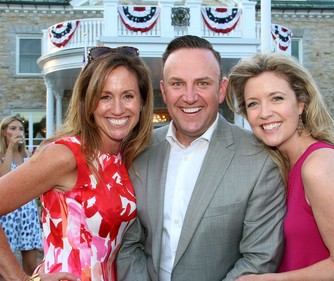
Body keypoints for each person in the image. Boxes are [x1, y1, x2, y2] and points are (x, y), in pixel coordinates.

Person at [116, 35, 286, 281]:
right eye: (177, 84)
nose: (189, 96)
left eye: (202, 83)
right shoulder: (138, 150)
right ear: (164, 91)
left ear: (221, 90)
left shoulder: (259, 160)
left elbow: (258, 260)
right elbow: (129, 244)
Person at [0, 47, 154, 280]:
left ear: (142, 102)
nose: (118, 109)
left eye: (128, 96)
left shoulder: (127, 158)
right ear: (88, 103)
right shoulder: (66, 155)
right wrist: (20, 279)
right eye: (105, 97)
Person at [225, 52, 334, 281]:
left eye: (277, 98)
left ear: (301, 104)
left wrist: (264, 280)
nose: (264, 113)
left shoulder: (320, 164)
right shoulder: (283, 165)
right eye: (253, 103)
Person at [0, 115, 43, 278]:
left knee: (32, 265)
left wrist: (40, 208)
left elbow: (38, 182)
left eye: (20, 129)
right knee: (5, 270)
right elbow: (2, 180)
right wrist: (10, 149)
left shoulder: (27, 155)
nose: (18, 132)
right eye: (13, 129)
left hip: (28, 214)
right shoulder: (2, 155)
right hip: (7, 216)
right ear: (4, 132)